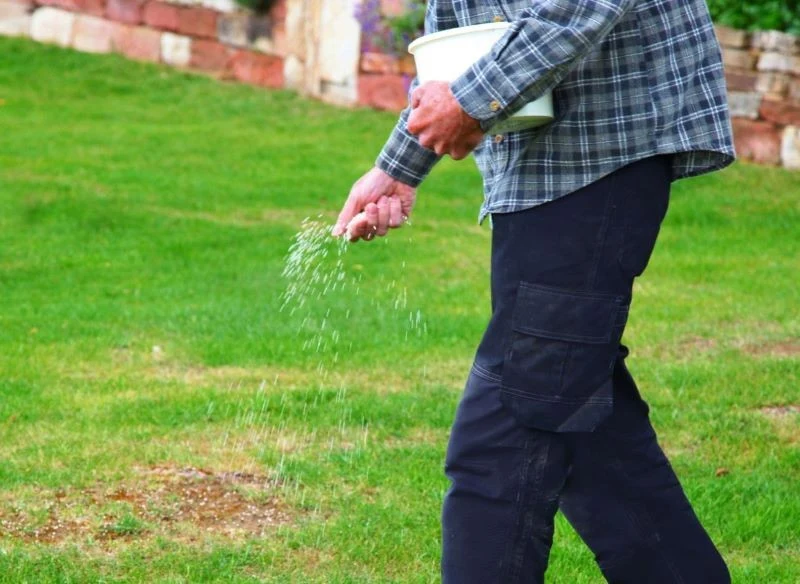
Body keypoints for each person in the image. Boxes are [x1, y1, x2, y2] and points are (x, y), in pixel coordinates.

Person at [333, 0, 735, 582]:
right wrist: (400, 165)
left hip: (600, 153)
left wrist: (471, 102)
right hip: (535, 171)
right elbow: (457, 34)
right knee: (577, 412)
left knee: (502, 435)